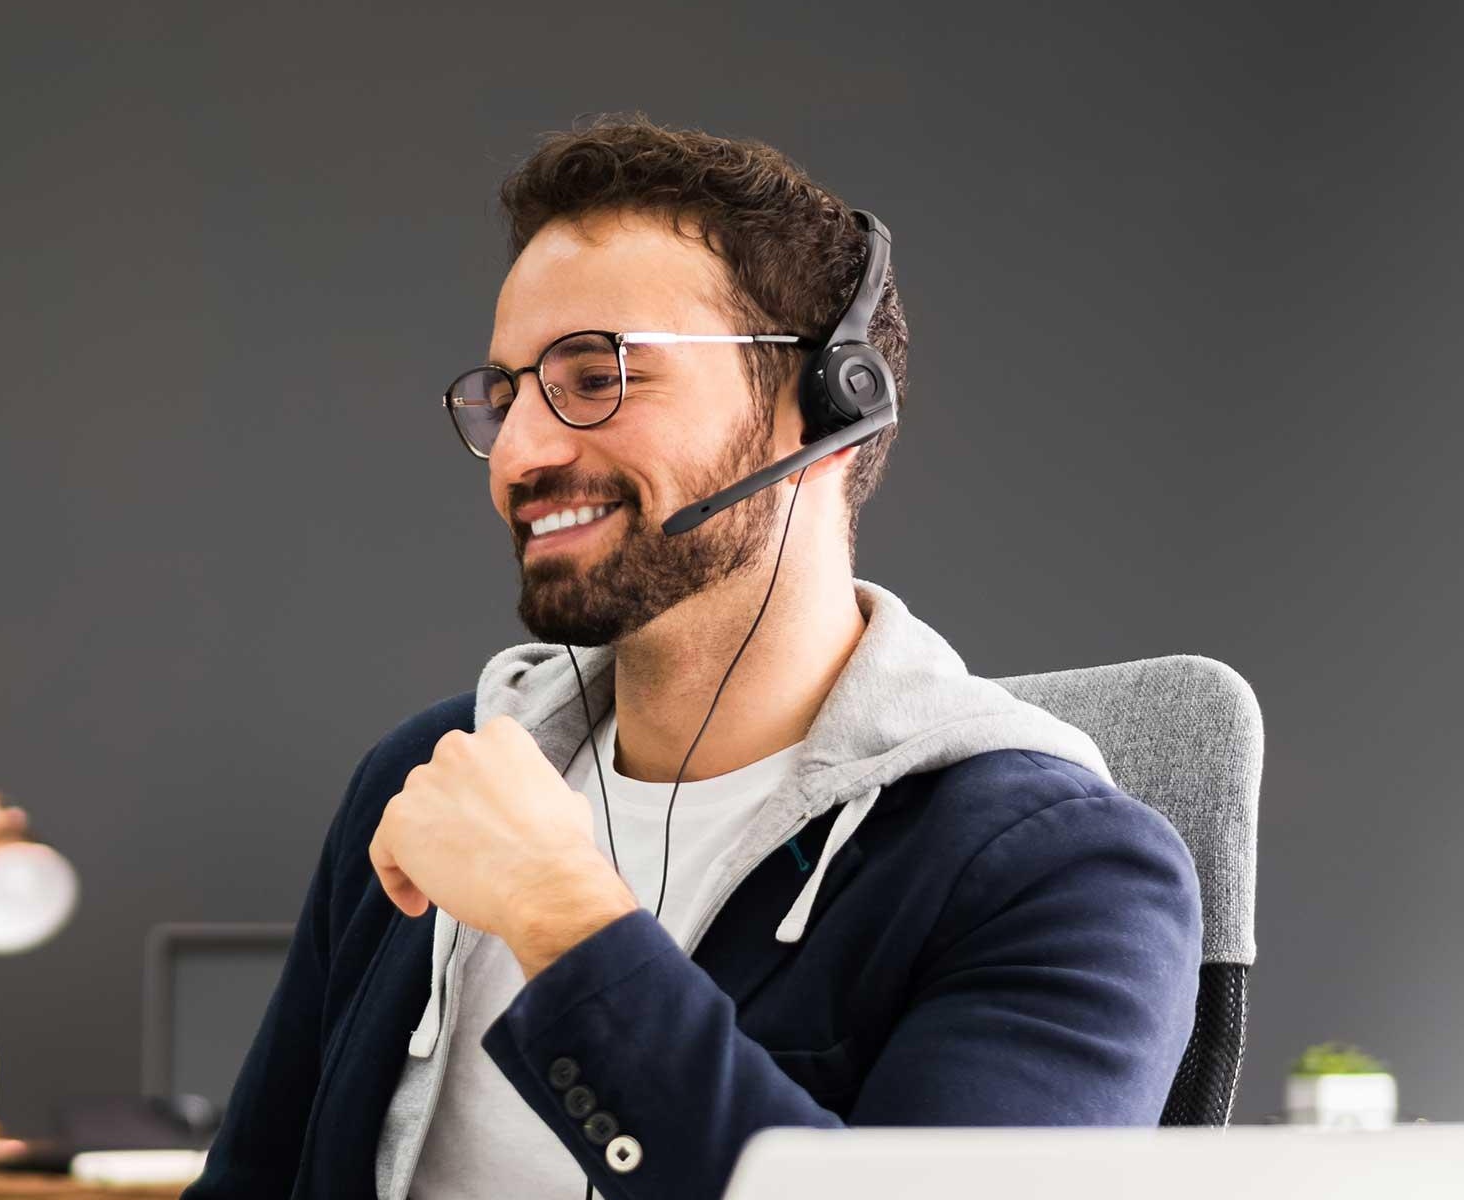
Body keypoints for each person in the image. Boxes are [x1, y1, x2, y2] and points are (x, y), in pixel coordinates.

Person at [184, 117, 1200, 1200]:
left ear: (821, 406)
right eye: (507, 393)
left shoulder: (1059, 873)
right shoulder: (436, 775)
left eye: (595, 374)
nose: (520, 452)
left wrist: (561, 915)